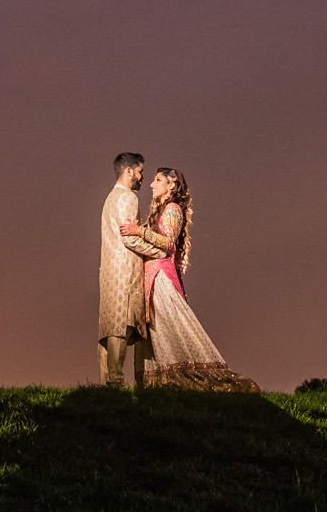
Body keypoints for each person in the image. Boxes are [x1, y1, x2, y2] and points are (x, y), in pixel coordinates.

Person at [121, 167, 259, 391]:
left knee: (171, 327)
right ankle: (156, 383)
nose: (152, 185)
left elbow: (167, 242)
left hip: (161, 278)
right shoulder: (160, 210)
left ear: (171, 184)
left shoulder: (173, 209)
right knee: (156, 334)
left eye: (157, 180)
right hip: (150, 278)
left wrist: (139, 231)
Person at [98, 152, 160, 387]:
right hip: (125, 270)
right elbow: (130, 239)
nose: (143, 178)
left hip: (110, 270)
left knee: (109, 324)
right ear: (129, 171)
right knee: (121, 324)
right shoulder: (128, 198)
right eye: (141, 171)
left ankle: (106, 382)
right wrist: (159, 252)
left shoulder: (110, 198)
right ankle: (116, 382)